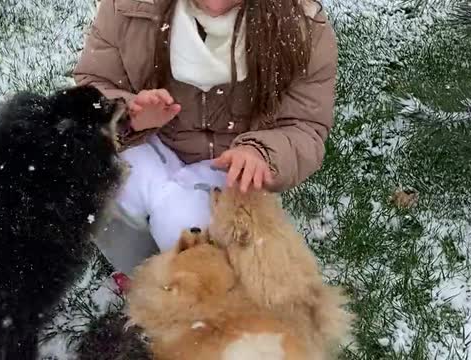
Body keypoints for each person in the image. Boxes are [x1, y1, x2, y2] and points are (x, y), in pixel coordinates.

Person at [73, 0, 338, 288]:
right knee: (91, 186)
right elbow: (93, 85)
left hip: (232, 164)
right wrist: (128, 116)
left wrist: (262, 152)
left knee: (187, 232)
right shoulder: (129, 7)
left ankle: (189, 288)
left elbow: (304, 125)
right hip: (150, 142)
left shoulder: (300, 25)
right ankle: (142, 273)